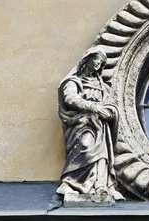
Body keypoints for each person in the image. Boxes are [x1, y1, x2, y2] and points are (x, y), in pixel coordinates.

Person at [56, 47, 124, 201]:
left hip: (100, 125)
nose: (98, 64)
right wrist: (94, 107)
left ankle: (101, 186)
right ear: (87, 59)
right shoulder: (73, 81)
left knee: (102, 155)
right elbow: (70, 99)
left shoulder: (101, 86)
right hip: (82, 123)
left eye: (101, 62)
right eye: (96, 60)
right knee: (85, 145)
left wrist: (110, 111)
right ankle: (73, 183)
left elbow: (110, 103)